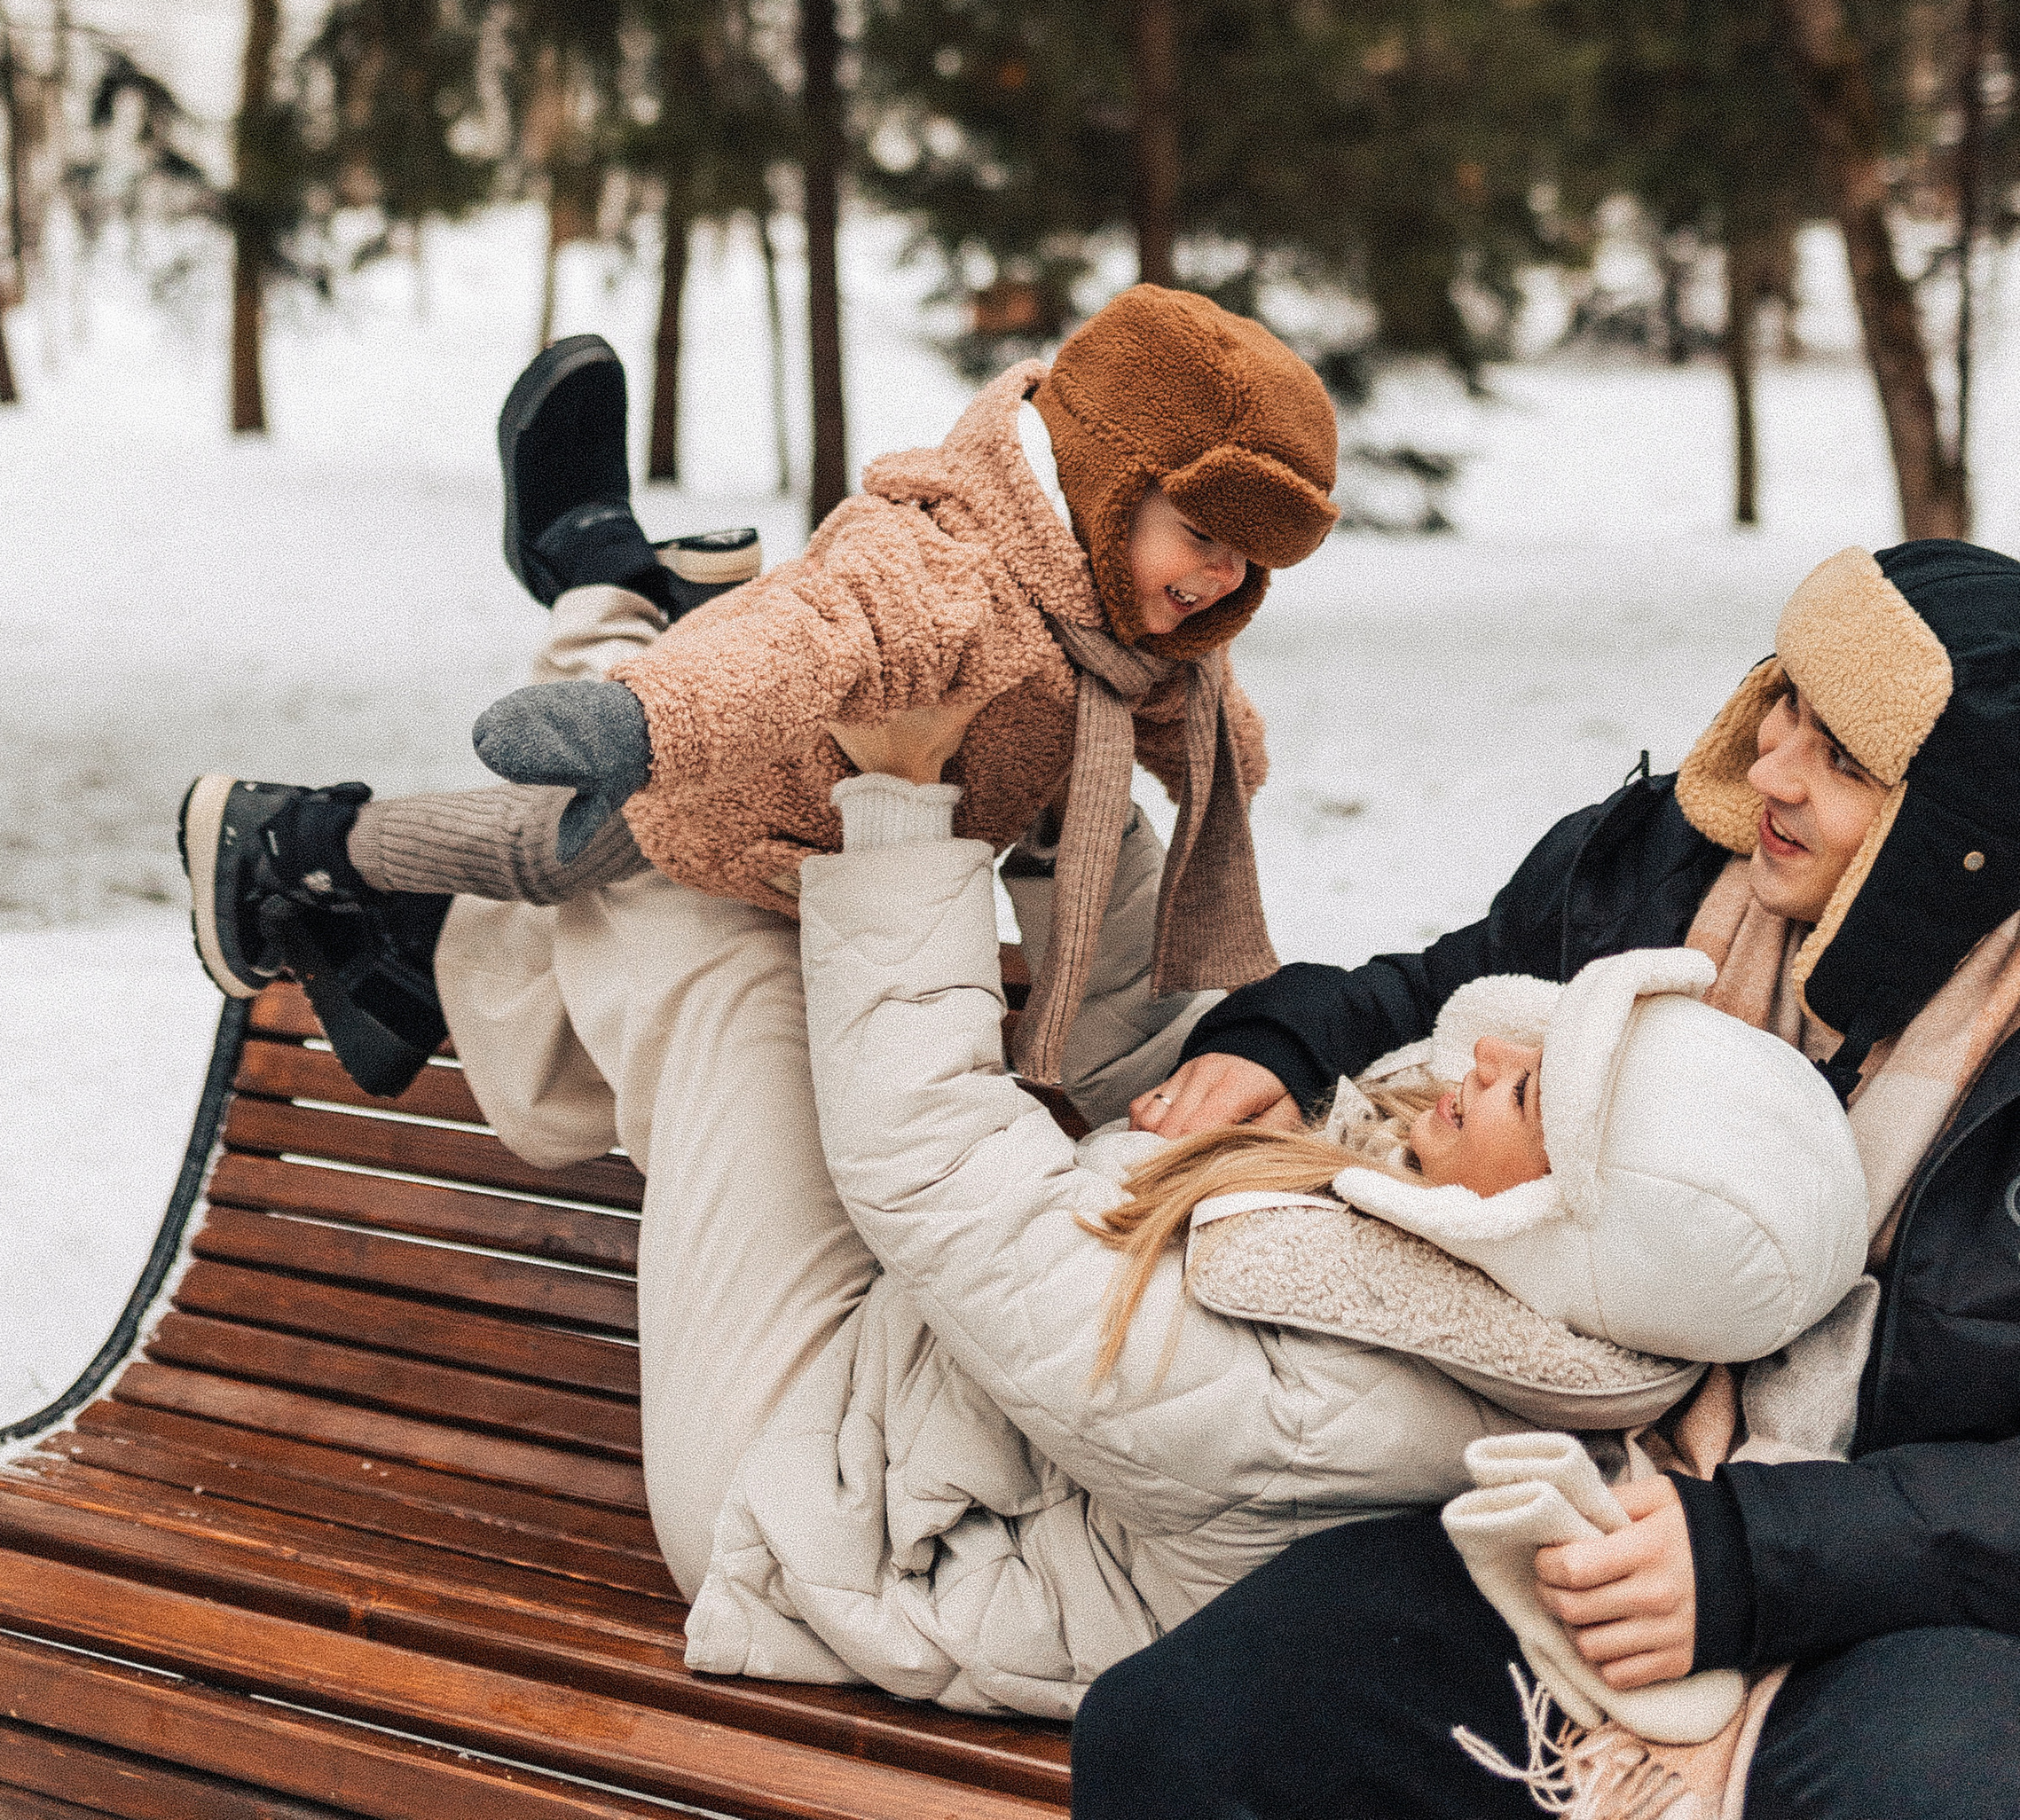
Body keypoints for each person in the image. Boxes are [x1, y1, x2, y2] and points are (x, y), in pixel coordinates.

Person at [188, 573, 1867, 1718]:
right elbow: (1157, 1118)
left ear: (1549, 1219)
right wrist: (1093, 811)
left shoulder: (1334, 1399)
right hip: (933, 1389)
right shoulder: (1473, 1247)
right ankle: (498, 825)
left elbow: (938, 1173)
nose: (1488, 1055)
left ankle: (564, 693)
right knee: (831, 879)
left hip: (813, 1500)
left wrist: (911, 812)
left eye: (1523, 1089)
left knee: (721, 954)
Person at [1074, 537, 2020, 1818]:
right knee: (1186, 1731)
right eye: (1787, 702)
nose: (1771, 767)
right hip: (1589, 1492)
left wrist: (1761, 1560)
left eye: (1846, 760)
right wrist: (1285, 1040)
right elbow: (1454, 984)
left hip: (1913, 1604)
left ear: (1962, 832)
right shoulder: (1673, 867)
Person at [179, 285, 1337, 1098]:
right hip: (726, 793)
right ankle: (297, 835)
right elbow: (803, 642)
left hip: (833, 861)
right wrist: (642, 721)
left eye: (1252, 561)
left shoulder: (1124, 631)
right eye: (1203, 536)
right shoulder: (938, 575)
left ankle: (636, 586)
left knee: (566, 860)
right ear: (1104, 487)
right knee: (551, 853)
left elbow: (1194, 724)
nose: (1223, 578)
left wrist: (1224, 764)